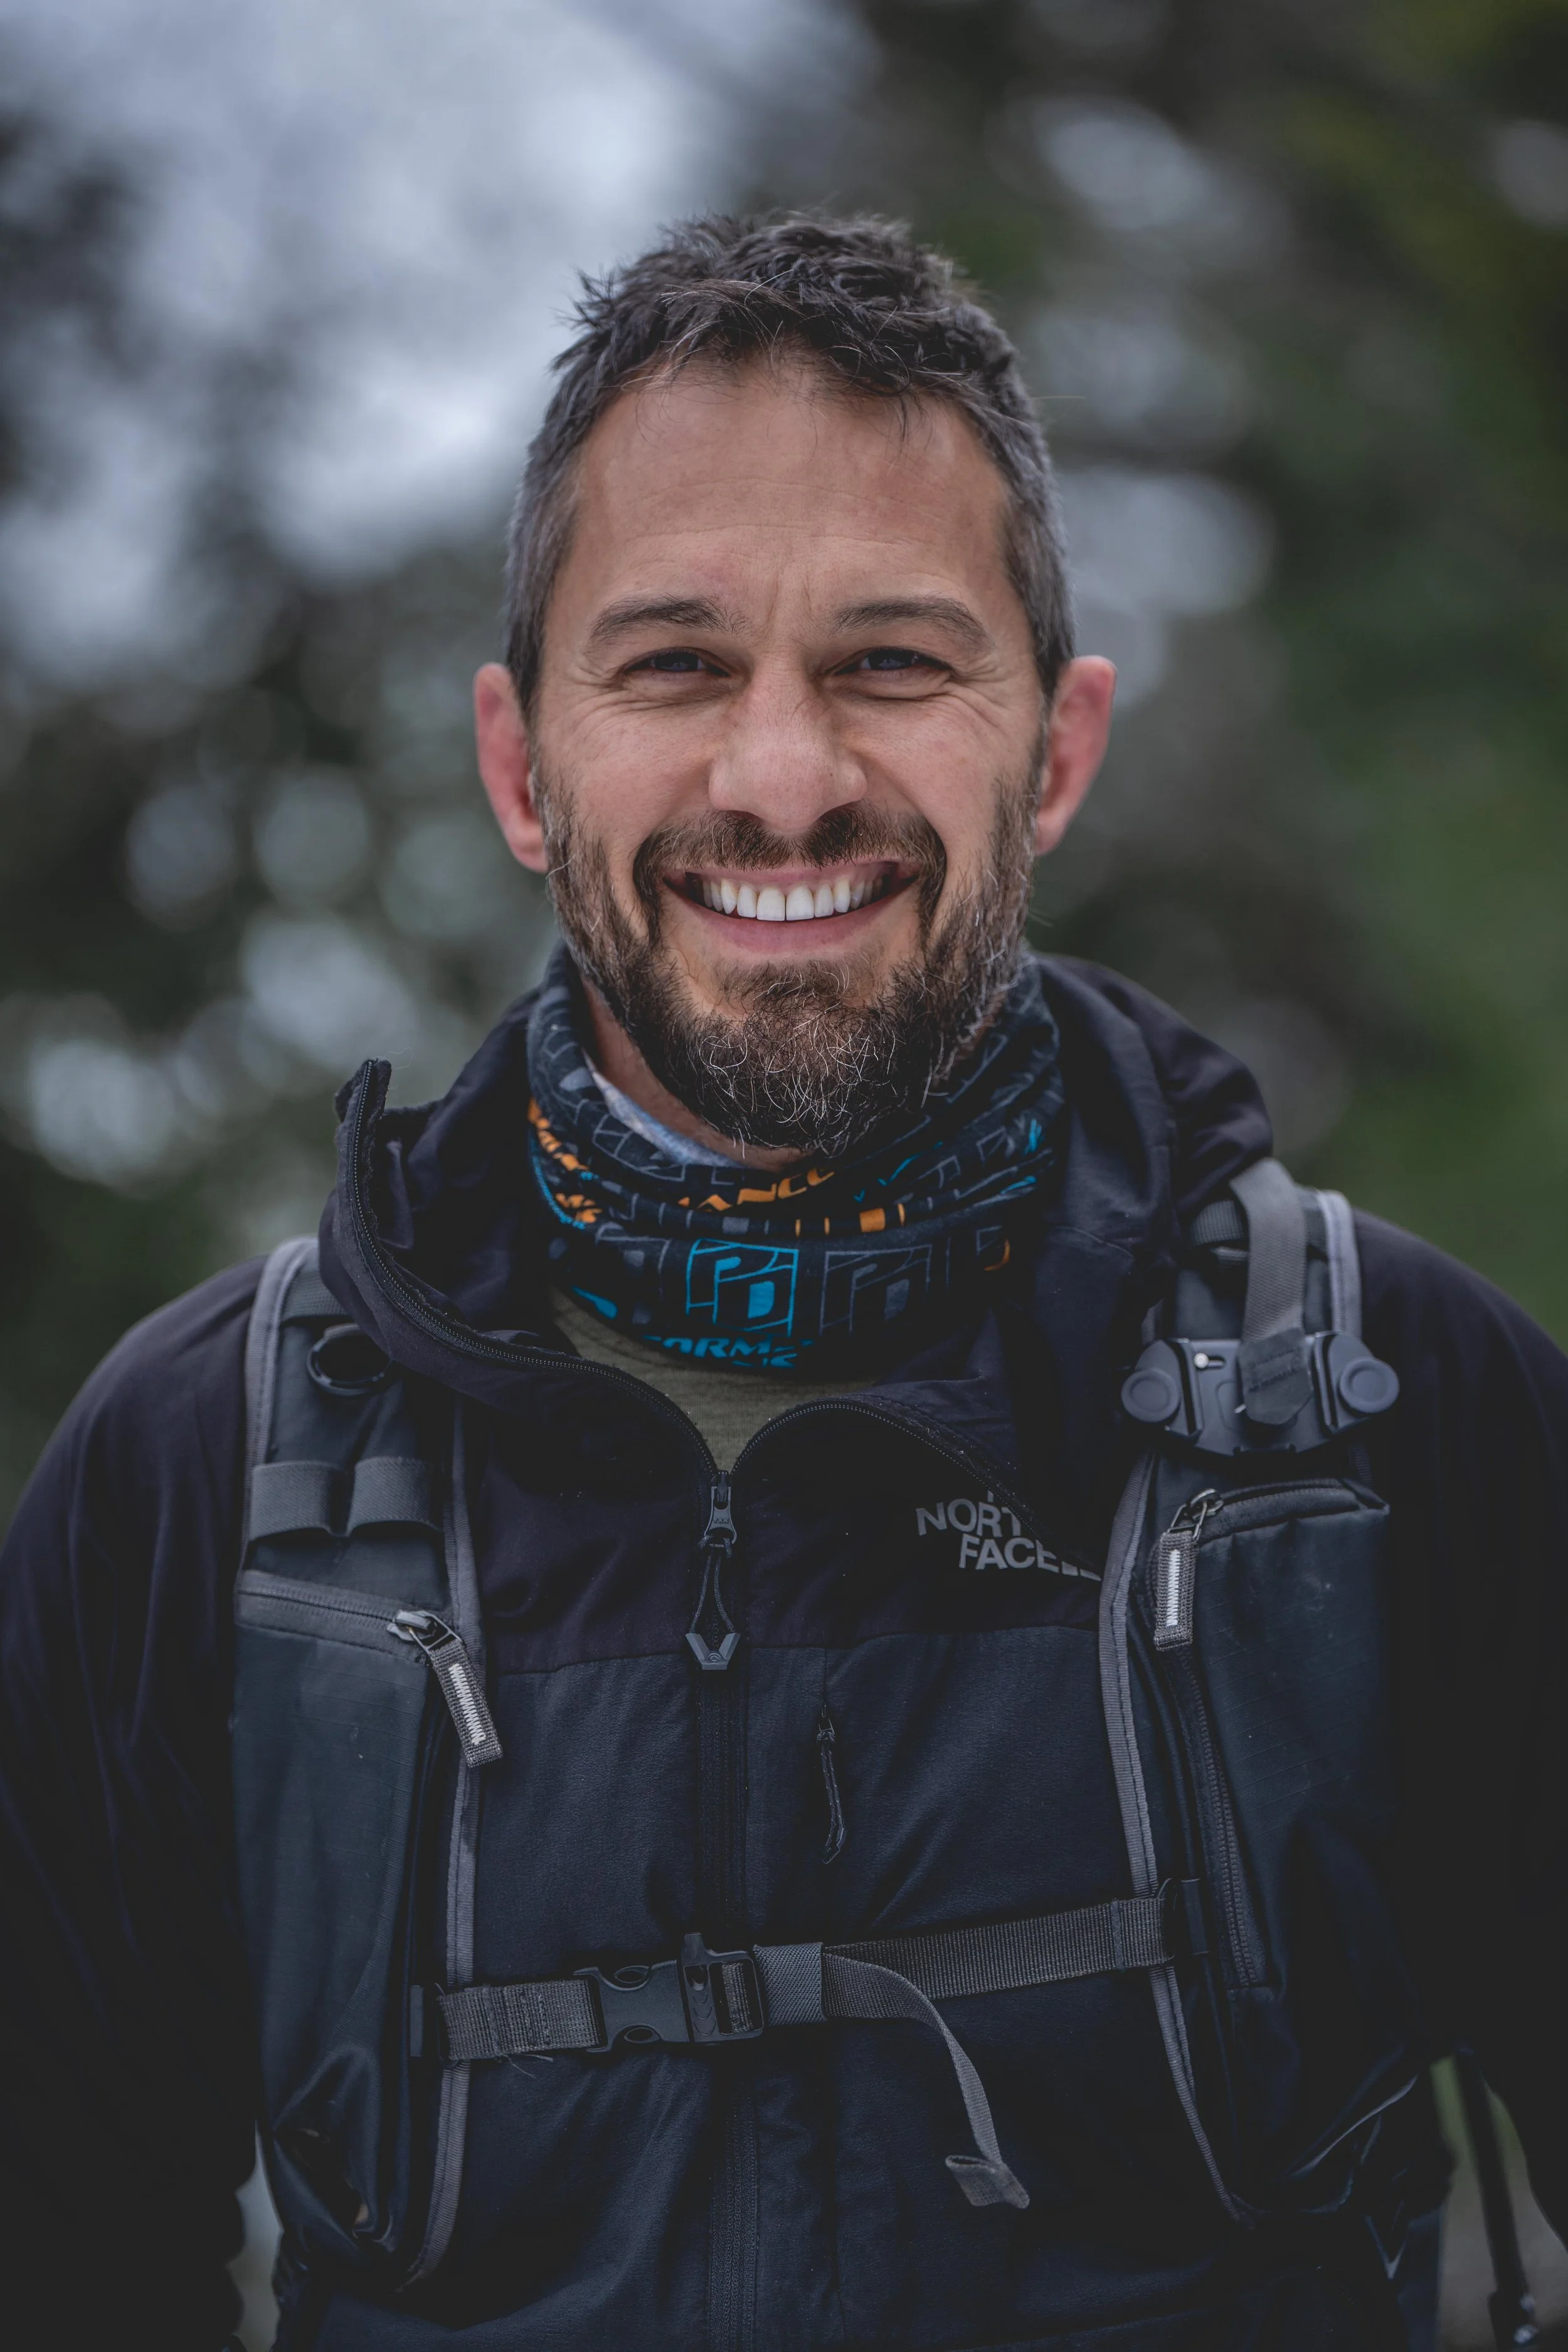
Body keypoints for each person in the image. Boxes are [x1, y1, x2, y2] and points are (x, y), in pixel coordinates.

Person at [1, 212, 1564, 2352]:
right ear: (520, 767)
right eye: (671, 665)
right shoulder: (197, 1475)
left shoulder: (1403, 1415)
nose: (782, 777)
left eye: (892, 662)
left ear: (1056, 750)